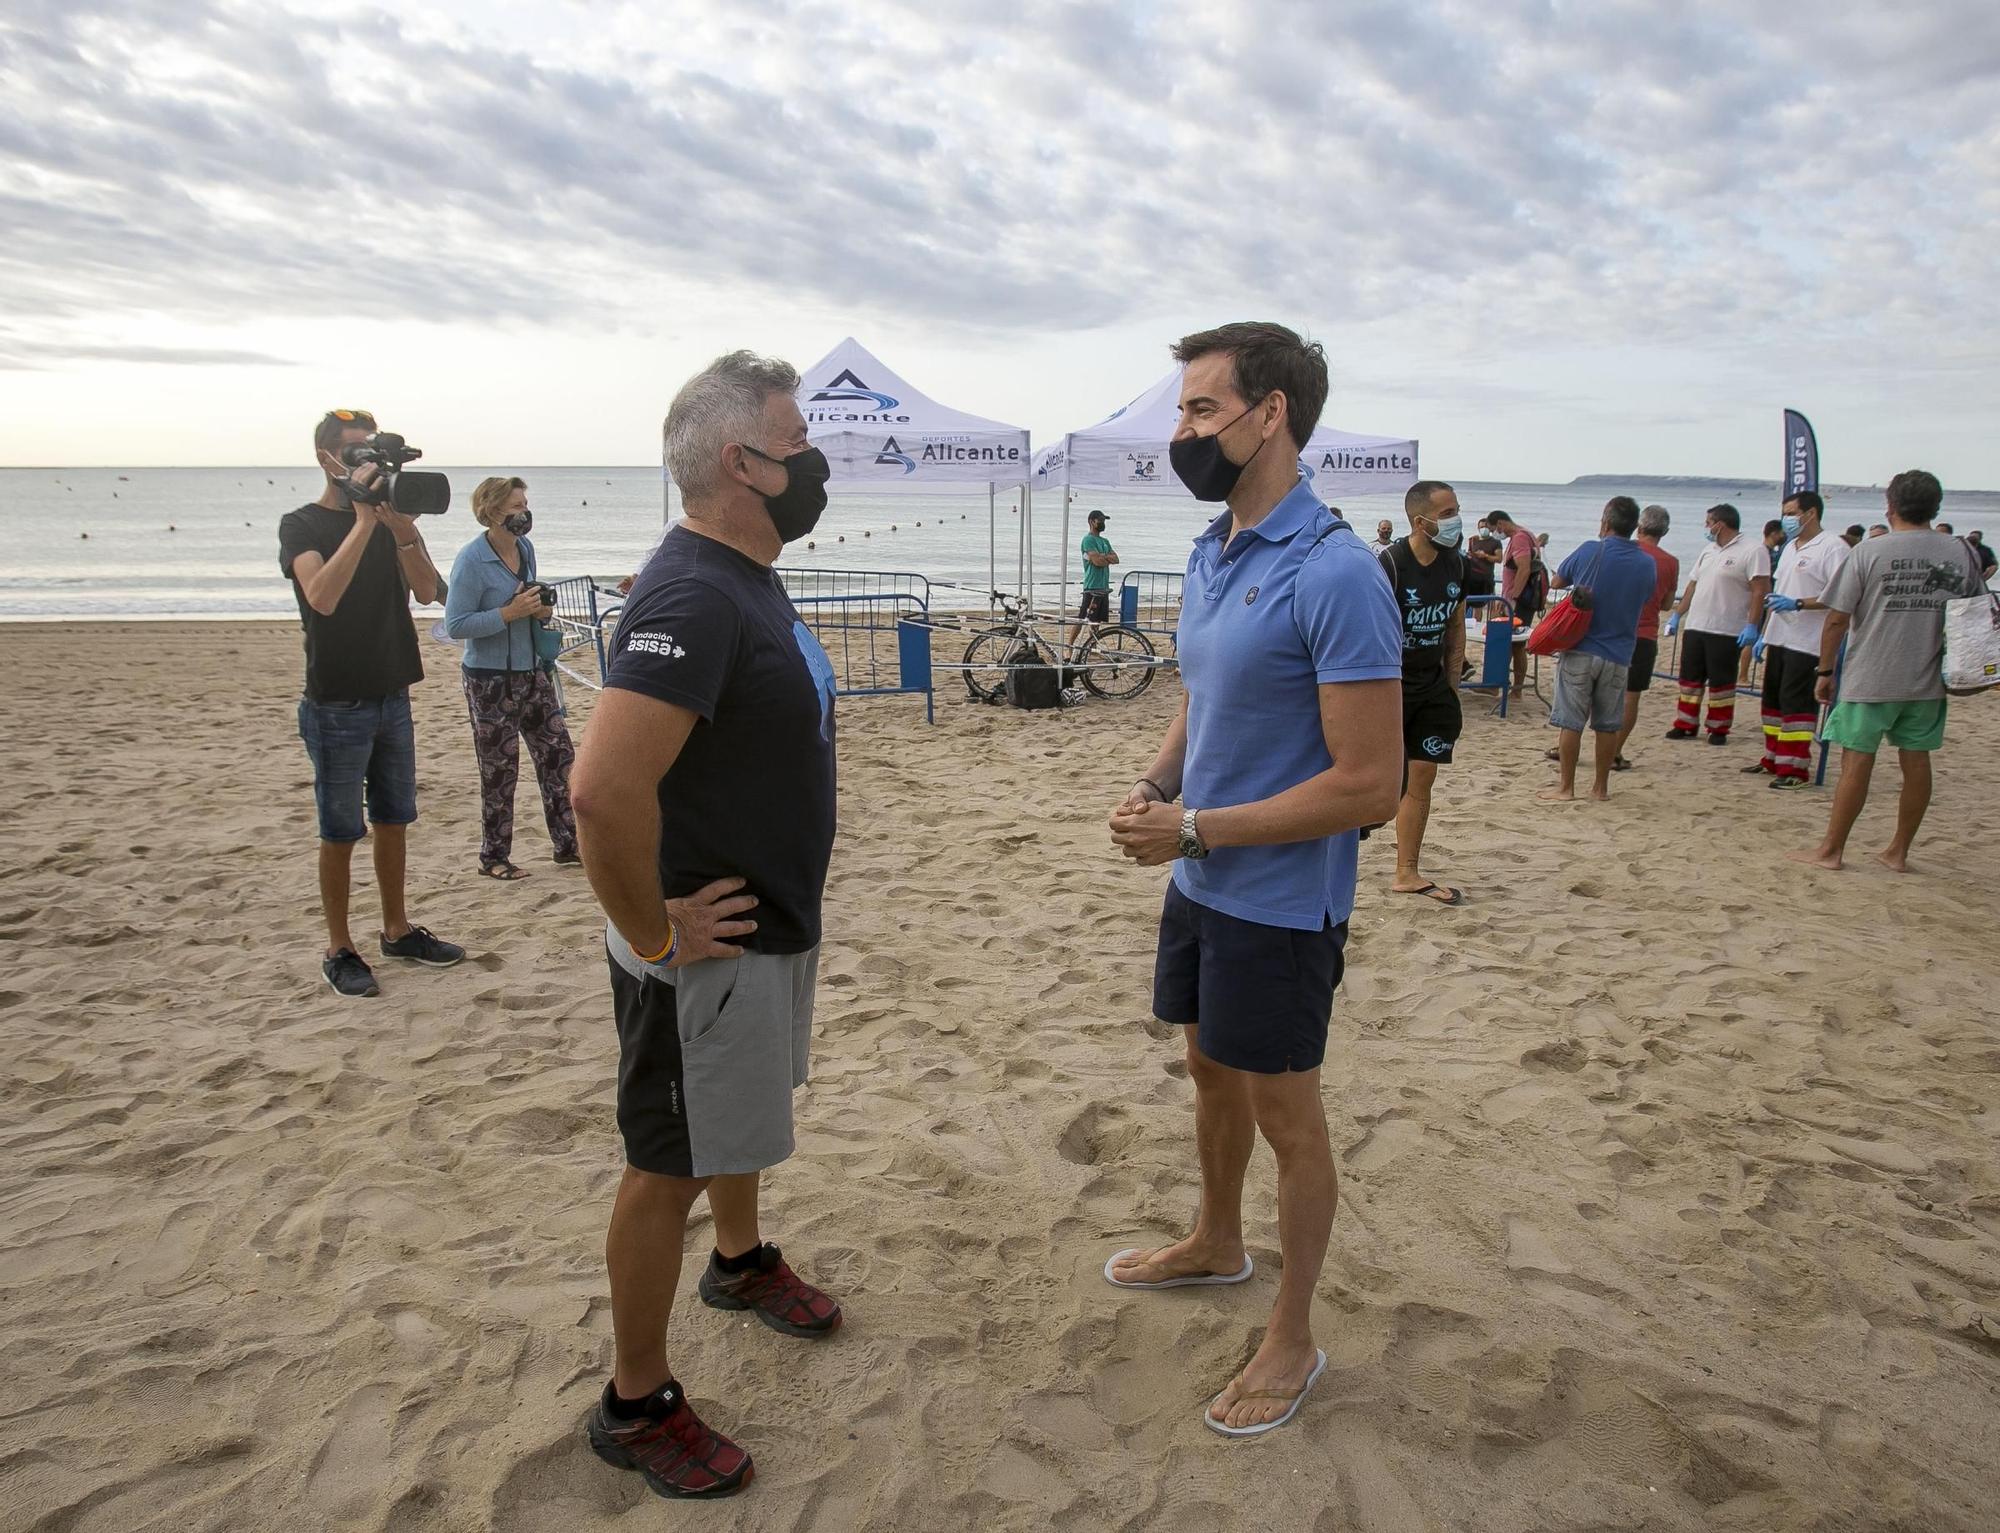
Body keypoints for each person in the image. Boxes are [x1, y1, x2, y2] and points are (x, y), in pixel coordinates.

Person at [1106, 322, 1401, 1438]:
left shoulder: (1334, 571)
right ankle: (1215, 1241)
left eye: (1196, 412)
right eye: (1178, 411)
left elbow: (1369, 785)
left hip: (1276, 898)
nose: (1177, 433)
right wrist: (1154, 784)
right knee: (1204, 1067)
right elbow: (1202, 693)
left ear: (1267, 414)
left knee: (1289, 1113)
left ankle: (1292, 1331)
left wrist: (1192, 830)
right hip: (1205, 875)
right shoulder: (1214, 548)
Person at [571, 351, 842, 1500]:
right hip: (704, 948)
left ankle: (737, 1265)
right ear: (745, 462)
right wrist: (649, 938)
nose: (816, 462)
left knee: (744, 1113)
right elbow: (599, 790)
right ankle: (634, 1405)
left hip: (767, 925)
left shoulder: (746, 573)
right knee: (665, 1159)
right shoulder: (690, 591)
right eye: (797, 439)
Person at [278, 409, 463, 998]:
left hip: (392, 692)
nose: (365, 463)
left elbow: (429, 592)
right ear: (326, 459)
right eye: (353, 453)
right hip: (336, 700)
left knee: (393, 820)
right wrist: (362, 520)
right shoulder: (301, 525)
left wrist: (400, 526)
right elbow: (322, 596)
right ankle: (339, 946)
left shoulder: (389, 520)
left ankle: (396, 929)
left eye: (370, 453)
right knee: (339, 830)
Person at [1790, 470, 1985, 874]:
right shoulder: (1961, 551)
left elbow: (1837, 619)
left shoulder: (1868, 551)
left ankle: (1832, 850)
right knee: (1916, 762)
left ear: (1890, 506)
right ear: (1936, 507)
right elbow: (1977, 614)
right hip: (1929, 676)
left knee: (1856, 763)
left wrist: (1825, 671)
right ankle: (1898, 850)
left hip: (1871, 675)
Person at [444, 476, 579, 879]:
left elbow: (529, 601)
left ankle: (569, 845)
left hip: (532, 671)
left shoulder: (525, 548)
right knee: (500, 771)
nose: (524, 513)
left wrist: (539, 612)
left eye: (525, 505)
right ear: (492, 511)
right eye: (516, 507)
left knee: (559, 758)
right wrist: (508, 613)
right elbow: (456, 624)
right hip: (489, 680)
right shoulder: (472, 560)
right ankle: (494, 857)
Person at [1379, 480, 1467, 905]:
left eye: (1455, 511)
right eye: (1447, 513)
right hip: (1388, 690)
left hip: (1432, 688)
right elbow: (1366, 628)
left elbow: (1455, 627)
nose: (1455, 521)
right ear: (1421, 521)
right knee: (1378, 781)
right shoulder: (1391, 563)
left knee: (1422, 776)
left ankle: (1406, 871)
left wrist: (1451, 686)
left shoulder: (1456, 564)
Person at [1538, 497, 1659, 802]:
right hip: (1619, 652)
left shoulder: (1591, 550)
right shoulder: (1646, 562)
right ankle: (1600, 788)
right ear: (1635, 527)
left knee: (1570, 721)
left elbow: (1558, 580)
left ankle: (1566, 787)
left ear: (1606, 521)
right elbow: (1645, 598)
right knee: (1607, 724)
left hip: (1581, 646)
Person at [1749, 490, 1849, 790]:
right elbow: (1781, 588)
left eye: (1792, 513)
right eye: (1785, 513)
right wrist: (1764, 635)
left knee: (1797, 704)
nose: (1787, 519)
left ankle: (1794, 767)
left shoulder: (1832, 548)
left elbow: (1840, 597)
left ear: (1811, 513)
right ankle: (1773, 757)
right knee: (1773, 701)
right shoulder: (1791, 546)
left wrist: (1800, 604)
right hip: (1781, 635)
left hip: (1808, 640)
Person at [1664, 503, 1770, 744]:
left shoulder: (1753, 550)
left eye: (1708, 522)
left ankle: (1718, 728)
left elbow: (1759, 590)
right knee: (1690, 679)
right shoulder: (1708, 550)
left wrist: (1752, 625)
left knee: (1721, 682)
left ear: (1719, 524)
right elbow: (1692, 584)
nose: (1706, 527)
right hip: (1697, 625)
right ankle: (1686, 723)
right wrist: (1677, 614)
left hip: (1727, 627)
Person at [1607, 503, 1678, 771]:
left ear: (1639, 526)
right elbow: (1667, 603)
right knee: (1630, 697)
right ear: (1665, 531)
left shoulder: (1621, 552)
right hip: (1644, 634)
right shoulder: (1670, 562)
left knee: (1593, 691)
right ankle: (1615, 751)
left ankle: (1570, 743)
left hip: (1612, 631)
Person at [1488, 510, 1543, 699]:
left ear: (1501, 524)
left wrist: (1512, 597)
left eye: (1494, 529)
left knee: (1515, 644)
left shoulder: (1519, 538)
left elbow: (1524, 568)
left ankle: (1515, 689)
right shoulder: (1525, 534)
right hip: (1519, 599)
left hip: (1519, 601)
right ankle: (1497, 683)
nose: (1495, 533)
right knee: (1510, 644)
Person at [1066, 509, 1118, 652]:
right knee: (1083, 617)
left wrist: (1103, 557)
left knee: (1097, 620)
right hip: (1092, 585)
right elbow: (1097, 562)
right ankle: (1069, 645)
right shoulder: (1088, 540)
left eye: (1104, 521)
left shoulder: (1105, 541)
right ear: (1091, 522)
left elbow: (1116, 559)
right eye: (1100, 521)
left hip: (1103, 585)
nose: (1102, 523)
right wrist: (1106, 558)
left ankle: (1092, 645)